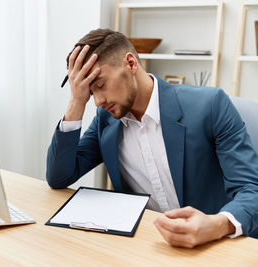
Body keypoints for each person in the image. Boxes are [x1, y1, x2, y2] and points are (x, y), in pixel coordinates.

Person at [46, 28, 258, 248]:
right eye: (90, 93)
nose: (98, 101)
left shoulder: (210, 105)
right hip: (150, 244)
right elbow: (59, 177)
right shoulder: (106, 120)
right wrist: (76, 103)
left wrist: (217, 225)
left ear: (130, 63)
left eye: (100, 85)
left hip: (217, 244)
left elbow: (251, 190)